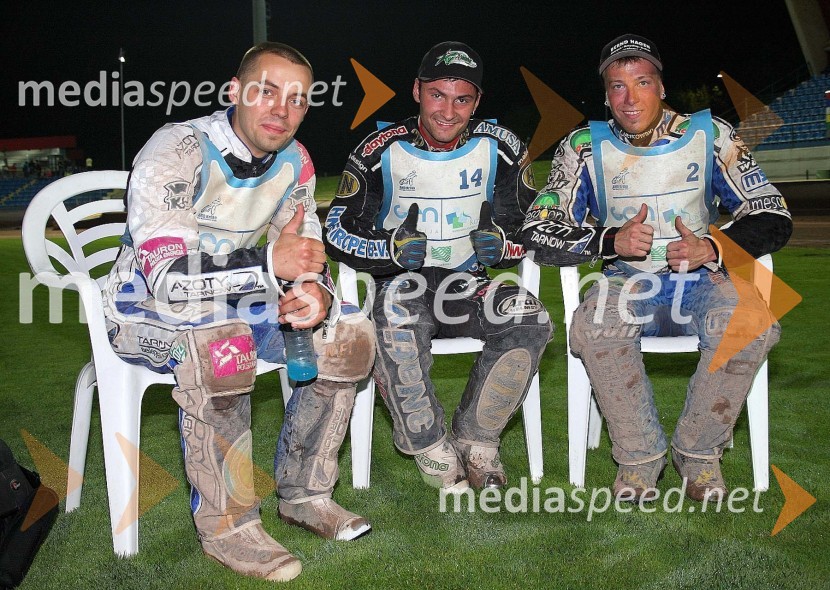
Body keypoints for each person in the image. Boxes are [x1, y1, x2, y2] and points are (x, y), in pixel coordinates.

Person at [102, 42, 375, 582]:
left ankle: (306, 494)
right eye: (266, 91)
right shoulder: (178, 147)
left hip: (239, 298)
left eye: (298, 99)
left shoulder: (295, 162)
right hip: (142, 305)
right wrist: (270, 264)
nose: (282, 110)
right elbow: (168, 276)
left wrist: (313, 289)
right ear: (235, 91)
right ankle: (229, 526)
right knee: (220, 340)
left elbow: (305, 249)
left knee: (349, 334)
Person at [523, 34, 792, 502]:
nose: (630, 98)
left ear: (661, 86)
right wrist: (610, 240)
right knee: (594, 325)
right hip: (627, 281)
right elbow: (539, 230)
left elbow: (772, 212)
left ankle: (699, 455)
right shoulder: (583, 147)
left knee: (752, 323)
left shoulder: (712, 135)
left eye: (641, 82)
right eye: (617, 87)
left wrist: (714, 246)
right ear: (606, 94)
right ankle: (639, 459)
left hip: (704, 279)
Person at [324, 41, 552, 492]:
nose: (448, 111)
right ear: (417, 91)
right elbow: (336, 228)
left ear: (477, 102)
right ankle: (430, 446)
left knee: (531, 318)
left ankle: (477, 440)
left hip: (470, 286)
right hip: (403, 287)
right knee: (392, 319)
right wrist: (389, 250)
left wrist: (501, 246)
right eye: (437, 95)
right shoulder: (378, 148)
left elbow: (533, 227)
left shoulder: (503, 147)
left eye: (462, 98)